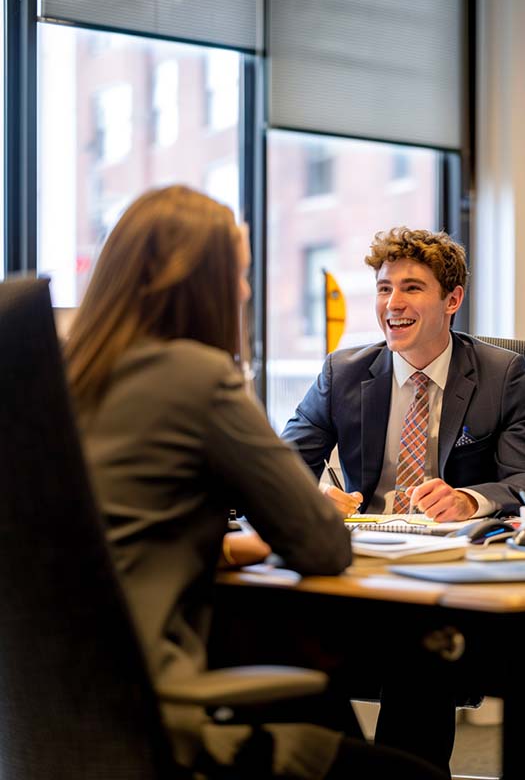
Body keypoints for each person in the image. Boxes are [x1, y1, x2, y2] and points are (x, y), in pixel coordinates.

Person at [64, 186, 448, 780]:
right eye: (238, 275)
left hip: (62, 714)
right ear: (197, 281)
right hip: (160, 719)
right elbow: (323, 546)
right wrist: (291, 521)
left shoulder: (68, 381)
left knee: (311, 694)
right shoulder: (198, 378)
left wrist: (229, 544)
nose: (244, 292)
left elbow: (106, 532)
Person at [282, 226, 525, 769]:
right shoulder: (343, 371)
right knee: (280, 635)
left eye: (411, 288)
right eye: (383, 288)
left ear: (452, 300)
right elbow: (283, 463)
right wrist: (308, 498)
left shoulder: (502, 375)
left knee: (418, 649)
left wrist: (470, 500)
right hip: (360, 566)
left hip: (445, 573)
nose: (393, 304)